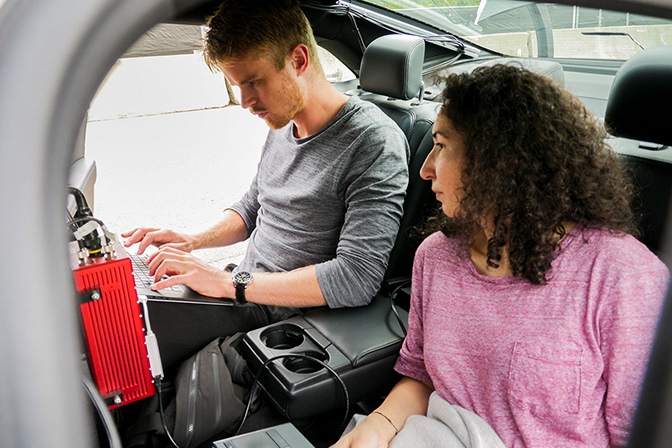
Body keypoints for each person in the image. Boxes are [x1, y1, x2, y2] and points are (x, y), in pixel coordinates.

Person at [334, 64, 670, 448]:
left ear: (499, 161)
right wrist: (376, 427)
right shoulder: (436, 256)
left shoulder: (624, 277)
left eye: (441, 146)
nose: (425, 169)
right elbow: (423, 376)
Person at [121, 0, 409, 370]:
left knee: (134, 342)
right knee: (126, 306)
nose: (245, 102)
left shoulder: (372, 142)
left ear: (299, 60)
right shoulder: (284, 123)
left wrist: (230, 284)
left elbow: (356, 277)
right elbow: (253, 207)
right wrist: (193, 241)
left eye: (253, 82)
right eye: (236, 86)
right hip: (241, 294)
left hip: (279, 326)